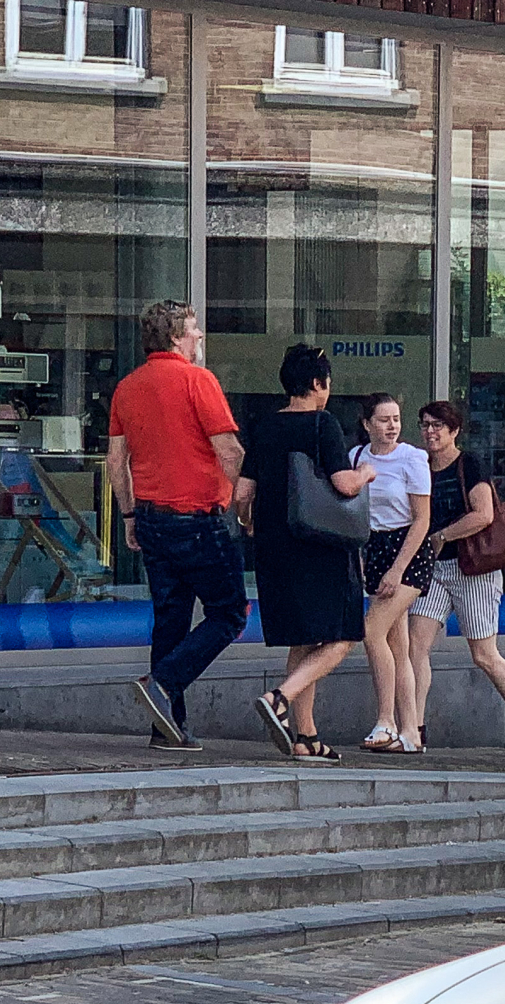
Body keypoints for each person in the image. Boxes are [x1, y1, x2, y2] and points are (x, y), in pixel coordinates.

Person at [108, 300, 246, 752]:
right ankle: (162, 684)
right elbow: (229, 451)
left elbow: (116, 462)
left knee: (170, 619)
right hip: (198, 516)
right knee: (229, 613)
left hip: (150, 516)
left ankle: (166, 728)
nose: (200, 336)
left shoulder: (127, 387)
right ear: (174, 337)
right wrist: (236, 500)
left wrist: (129, 515)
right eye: (193, 328)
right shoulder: (197, 380)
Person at [231, 344, 372, 762]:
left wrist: (251, 523)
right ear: (317, 383)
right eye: (327, 382)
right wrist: (366, 472)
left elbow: (242, 493)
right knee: (344, 636)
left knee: (302, 637)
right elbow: (344, 484)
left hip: (275, 548)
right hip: (321, 548)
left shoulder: (265, 426)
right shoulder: (323, 423)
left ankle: (305, 736)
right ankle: (279, 698)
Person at [408, 398, 505, 757]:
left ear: (454, 431)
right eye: (424, 425)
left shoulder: (470, 464)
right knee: (415, 647)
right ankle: (415, 729)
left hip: (474, 569)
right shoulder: (420, 466)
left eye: (437, 425)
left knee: (484, 654)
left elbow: (482, 515)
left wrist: (441, 536)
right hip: (433, 569)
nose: (430, 432)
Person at [348, 395, 433, 753]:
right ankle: (410, 730)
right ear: (367, 424)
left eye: (396, 419)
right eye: (383, 420)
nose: (392, 426)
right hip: (375, 546)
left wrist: (397, 570)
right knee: (397, 646)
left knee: (372, 632)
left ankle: (386, 720)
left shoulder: (412, 458)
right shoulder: (356, 457)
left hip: (408, 552)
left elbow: (422, 519)